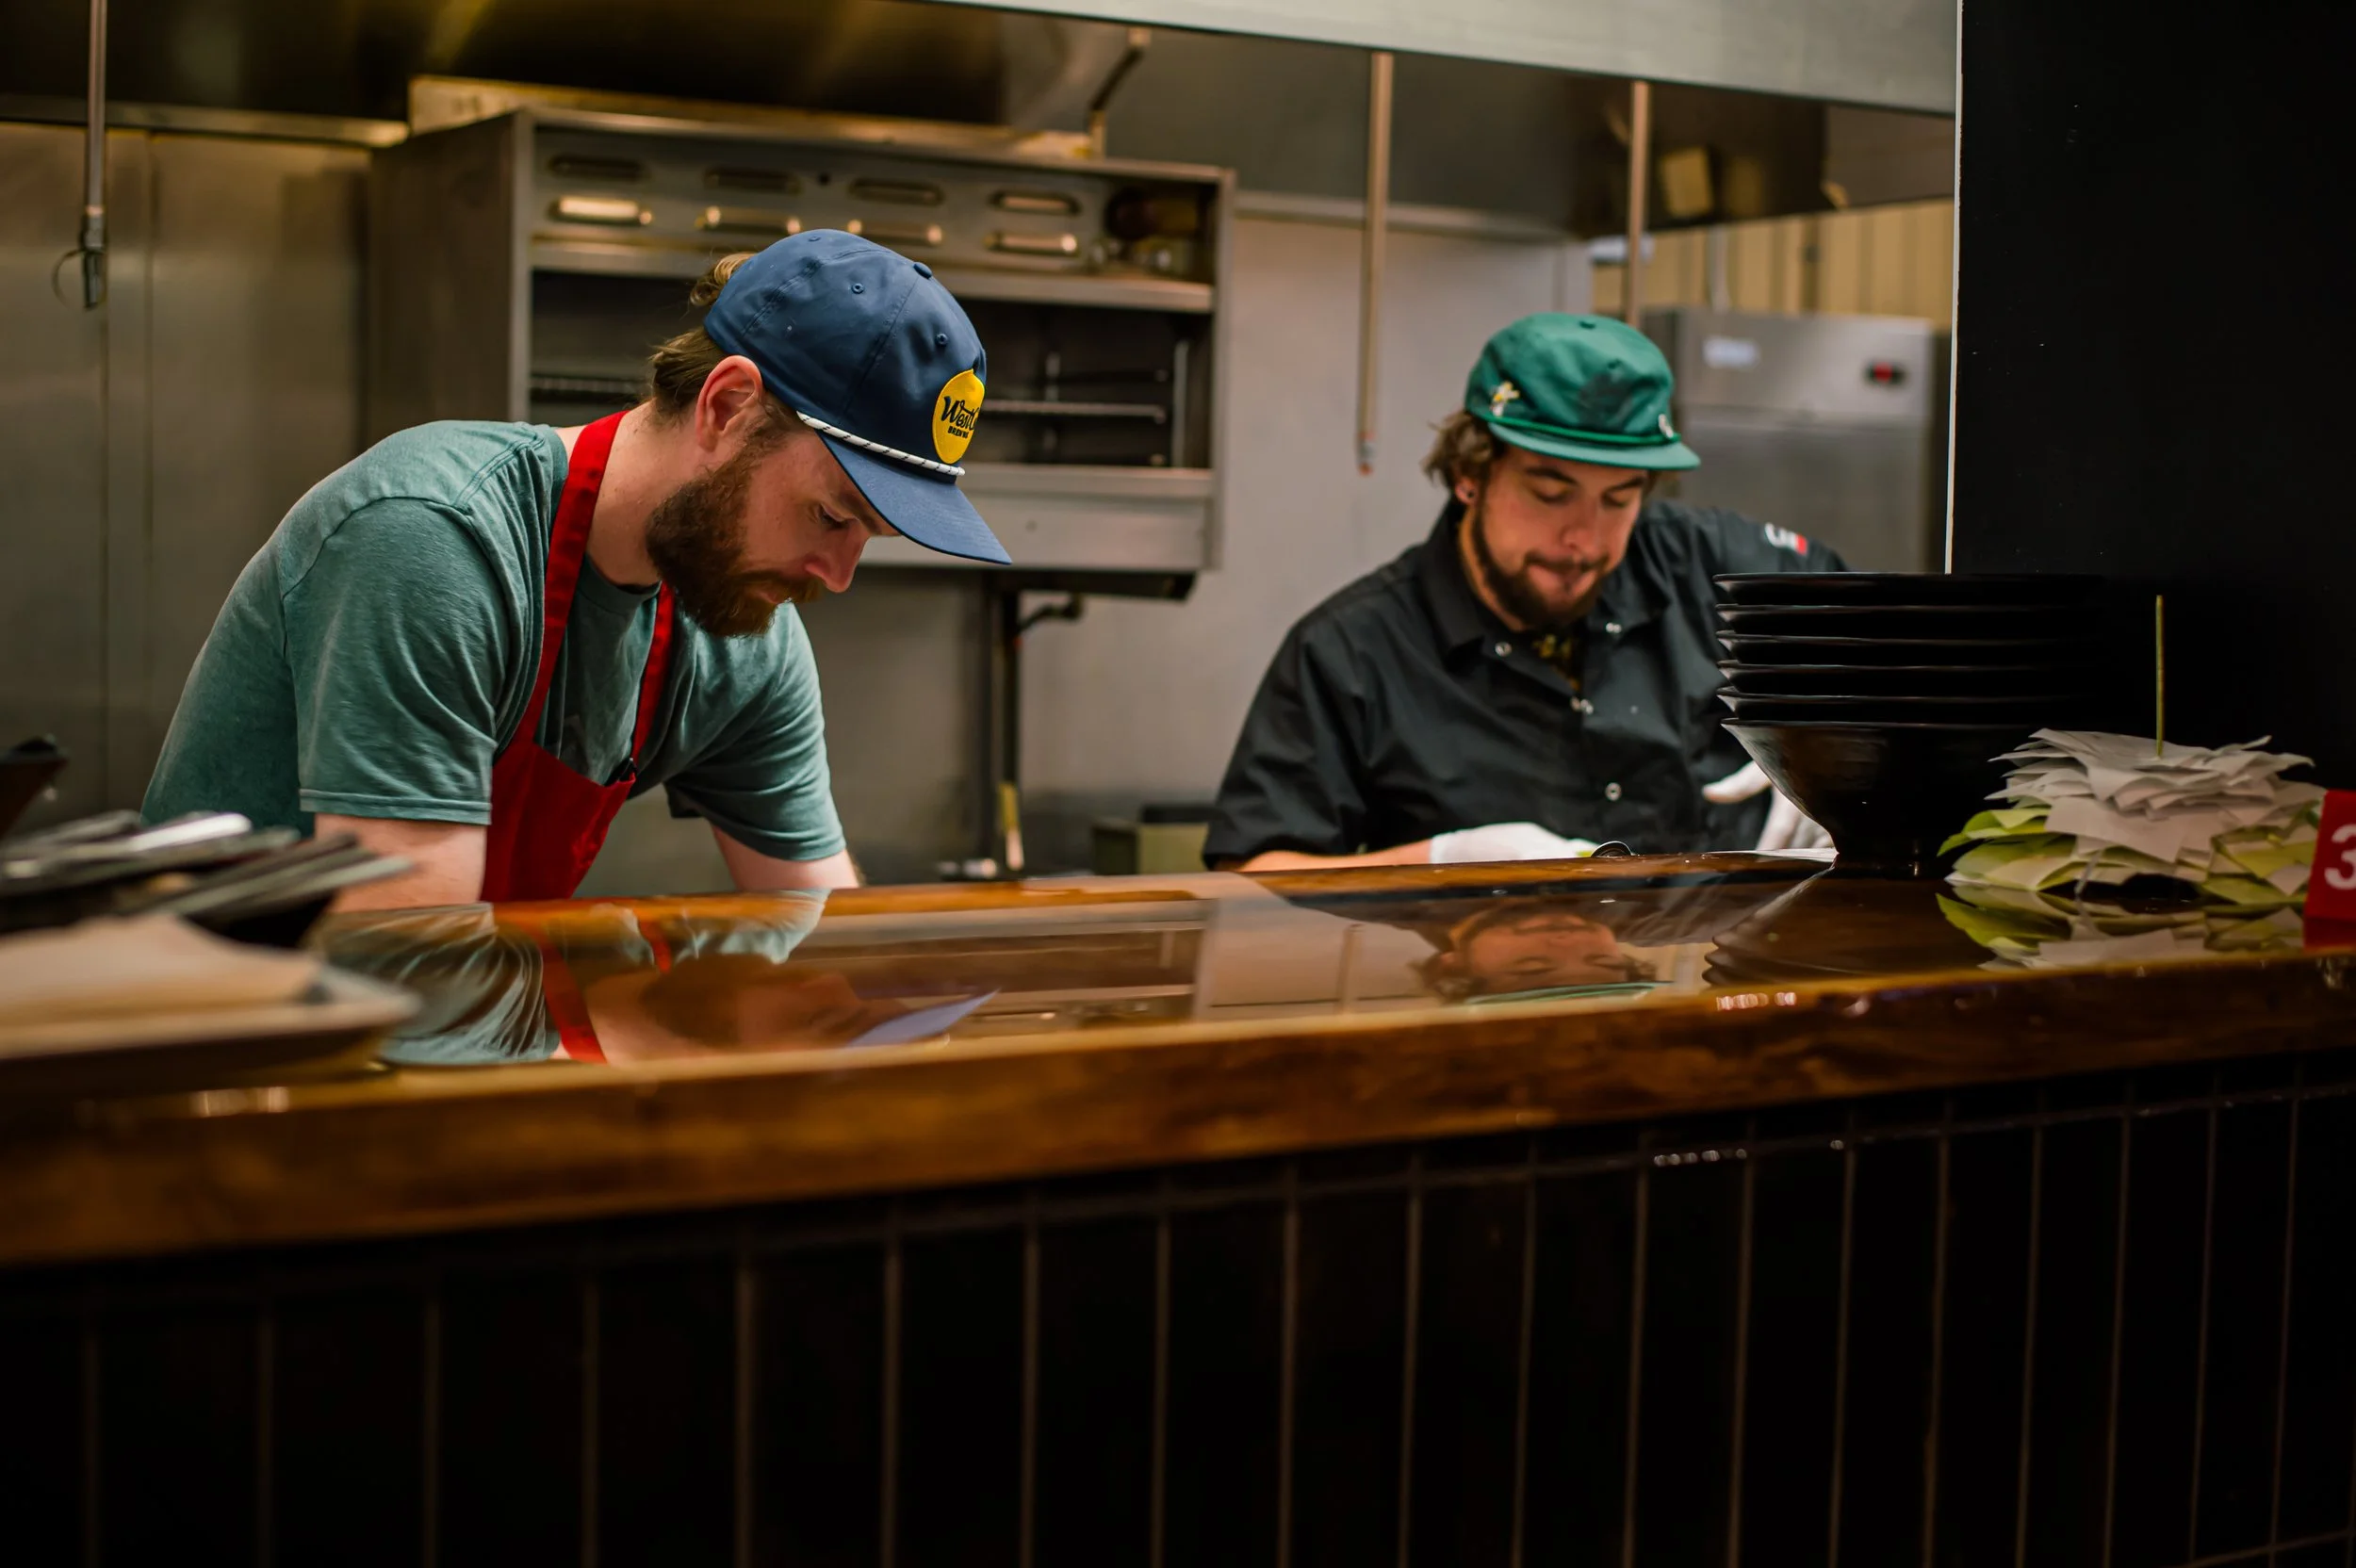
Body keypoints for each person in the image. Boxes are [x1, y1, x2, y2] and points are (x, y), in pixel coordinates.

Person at [143, 231, 1008, 906]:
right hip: (221, 1056)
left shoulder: (742, 627)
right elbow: (408, 954)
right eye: (830, 515)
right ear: (727, 407)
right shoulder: (433, 541)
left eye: (869, 536)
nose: (839, 573)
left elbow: (815, 931)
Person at [1203, 313, 1841, 871]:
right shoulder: (1351, 654)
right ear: (1469, 474)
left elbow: (1909, 672)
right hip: (1467, 1004)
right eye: (1550, 494)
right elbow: (1251, 880)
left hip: (1709, 992)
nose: (1583, 540)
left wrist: (1831, 769)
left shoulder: (1718, 568)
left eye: (1619, 499)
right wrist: (1436, 861)